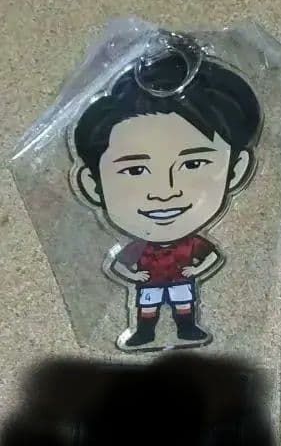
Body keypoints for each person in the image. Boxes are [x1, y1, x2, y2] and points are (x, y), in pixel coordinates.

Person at [73, 47, 261, 351]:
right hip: (149, 284)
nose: (165, 192)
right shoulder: (137, 247)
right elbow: (118, 265)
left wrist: (195, 271)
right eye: (135, 170)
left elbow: (212, 257)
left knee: (183, 305)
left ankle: (187, 329)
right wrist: (135, 274)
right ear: (93, 186)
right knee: (147, 307)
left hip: (181, 282)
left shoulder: (191, 243)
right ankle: (144, 332)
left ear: (236, 170)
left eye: (193, 164)